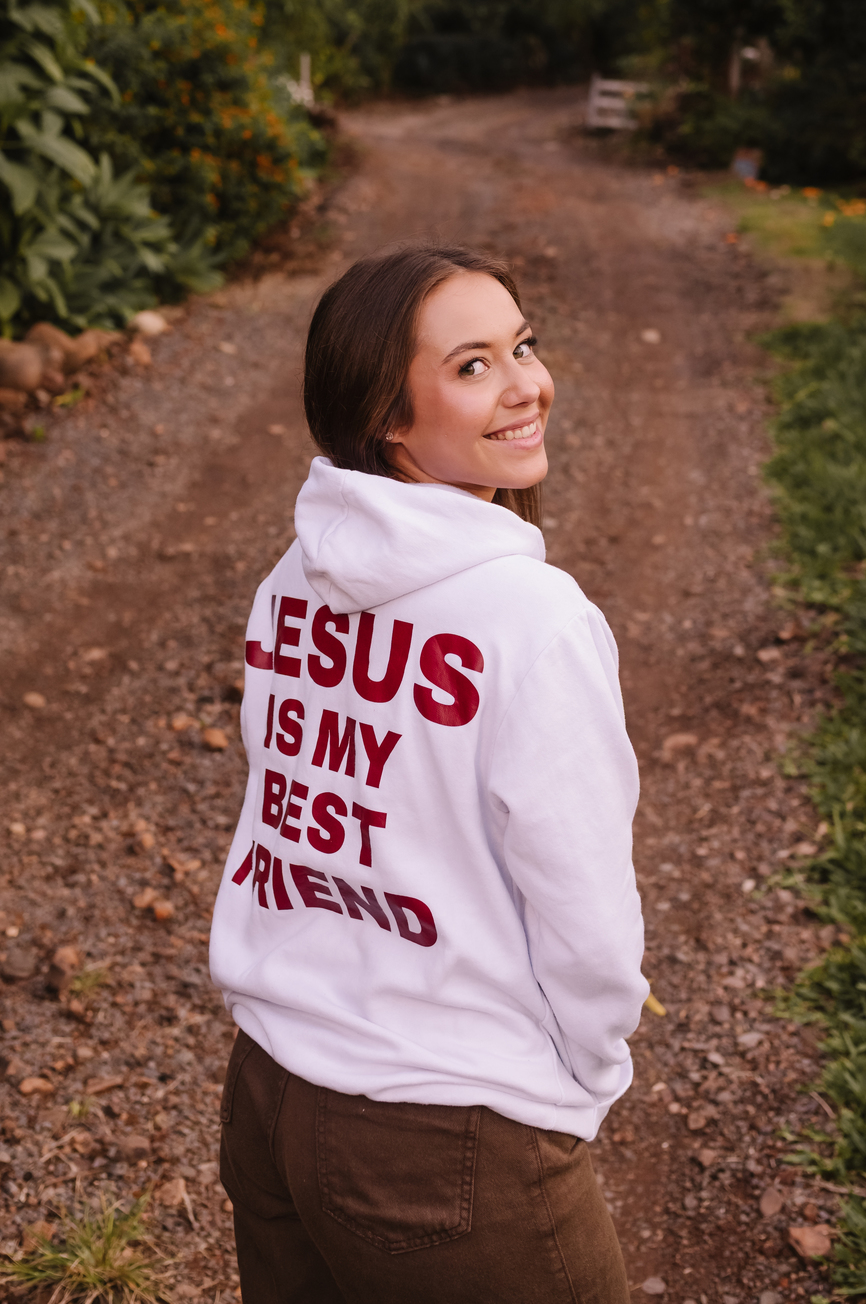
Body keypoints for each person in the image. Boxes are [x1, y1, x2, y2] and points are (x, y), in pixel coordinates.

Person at [209, 243, 647, 1304]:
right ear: (388, 417)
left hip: (269, 1096)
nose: (526, 384)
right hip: (446, 1134)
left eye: (522, 346)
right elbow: (585, 914)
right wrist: (585, 1076)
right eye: (472, 365)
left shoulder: (294, 576)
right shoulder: (533, 621)